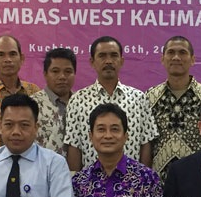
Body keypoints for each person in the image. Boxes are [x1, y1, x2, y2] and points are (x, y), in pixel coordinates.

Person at [65, 36, 158, 171]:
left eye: (114, 55)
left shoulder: (138, 98)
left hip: (132, 184)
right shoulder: (78, 100)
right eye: (102, 56)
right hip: (91, 186)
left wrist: (141, 180)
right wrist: (76, 184)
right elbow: (74, 146)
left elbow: (146, 143)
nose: (108, 61)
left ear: (121, 61)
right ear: (92, 62)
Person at [147, 36, 201, 181]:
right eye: (171, 52)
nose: (176, 57)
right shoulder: (150, 97)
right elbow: (146, 142)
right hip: (158, 181)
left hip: (198, 178)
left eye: (182, 53)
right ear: (162, 59)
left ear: (193, 59)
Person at [30, 47, 76, 157]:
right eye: (55, 71)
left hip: (78, 172)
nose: (62, 77)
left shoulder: (81, 104)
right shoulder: (32, 105)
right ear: (45, 74)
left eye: (68, 71)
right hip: (41, 171)